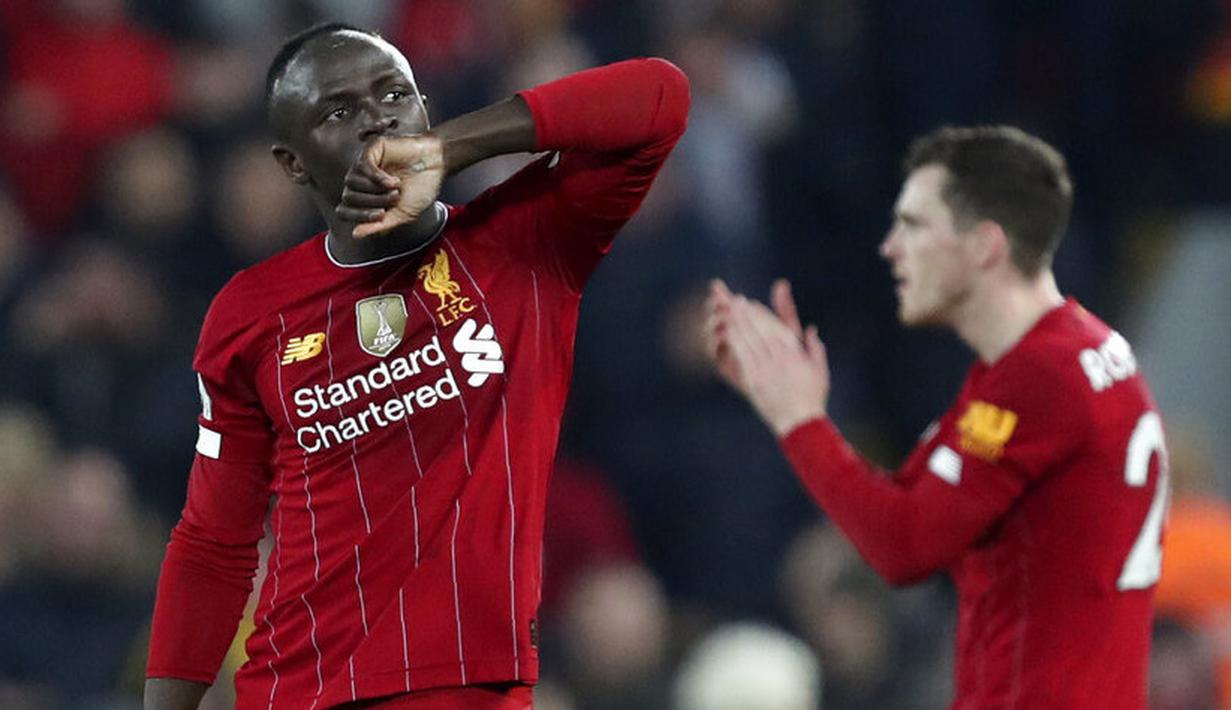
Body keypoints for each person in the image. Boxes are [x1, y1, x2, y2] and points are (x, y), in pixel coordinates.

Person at [143, 23, 689, 710]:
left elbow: (660, 96)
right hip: (297, 691)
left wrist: (453, 147)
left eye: (395, 94)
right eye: (337, 111)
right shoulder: (249, 312)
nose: (377, 119)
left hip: (470, 688)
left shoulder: (522, 245)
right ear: (293, 163)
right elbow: (212, 543)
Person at [706, 125, 1168, 709]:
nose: (890, 247)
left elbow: (905, 546)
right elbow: (909, 503)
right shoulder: (1068, 350)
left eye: (914, 226)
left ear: (985, 247)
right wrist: (800, 402)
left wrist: (799, 421)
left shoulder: (1036, 380)